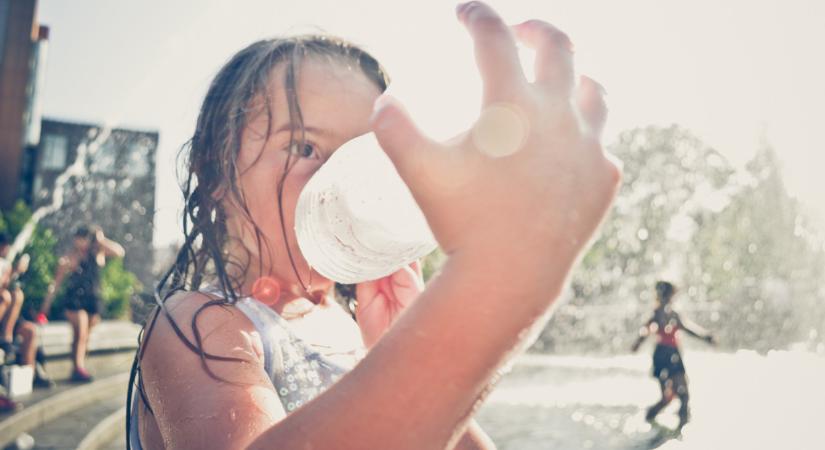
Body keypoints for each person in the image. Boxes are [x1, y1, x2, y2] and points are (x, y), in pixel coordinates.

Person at [128, 2, 621, 449]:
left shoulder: (351, 325)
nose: (339, 182)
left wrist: (412, 349)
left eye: (366, 155)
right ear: (216, 170)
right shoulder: (201, 325)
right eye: (305, 148)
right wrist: (491, 288)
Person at [41, 226, 125, 382]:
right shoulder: (70, 257)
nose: (81, 242)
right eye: (79, 238)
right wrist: (46, 305)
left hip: (93, 298)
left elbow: (120, 252)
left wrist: (101, 239)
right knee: (80, 331)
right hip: (74, 299)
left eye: (85, 238)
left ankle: (77, 367)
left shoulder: (98, 253)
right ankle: (78, 367)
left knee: (85, 335)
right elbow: (56, 283)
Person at [631, 281, 715, 431]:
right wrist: (638, 341)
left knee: (679, 396)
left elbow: (685, 328)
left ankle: (679, 428)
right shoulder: (659, 313)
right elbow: (646, 329)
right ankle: (652, 420)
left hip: (669, 354)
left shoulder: (670, 313)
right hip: (665, 355)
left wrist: (704, 337)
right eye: (671, 293)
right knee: (674, 397)